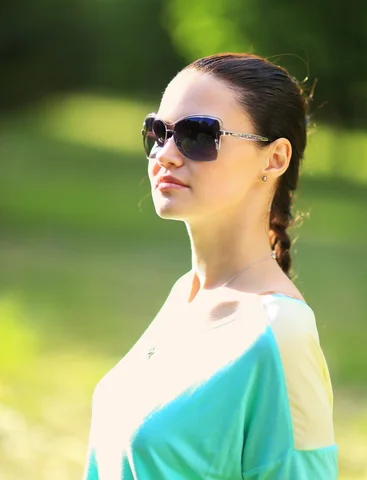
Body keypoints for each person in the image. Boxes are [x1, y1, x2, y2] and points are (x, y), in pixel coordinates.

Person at [83, 53, 338, 479]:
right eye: (157, 132)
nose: (164, 154)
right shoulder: (185, 294)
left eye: (197, 134)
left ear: (274, 159)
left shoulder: (279, 335)